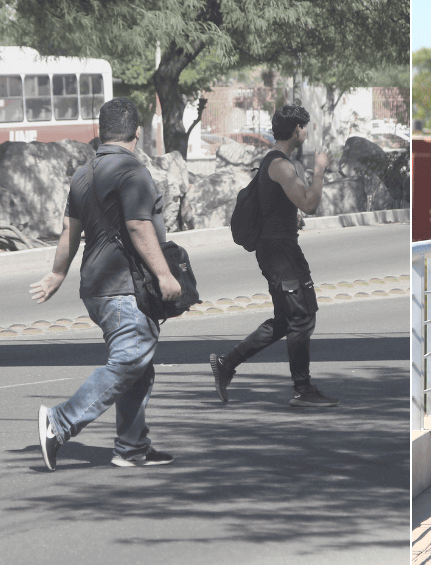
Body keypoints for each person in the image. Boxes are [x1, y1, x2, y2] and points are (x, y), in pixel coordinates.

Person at [29, 97, 181, 471]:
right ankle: (60, 423)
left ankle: (131, 447)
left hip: (95, 286)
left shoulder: (83, 174)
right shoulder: (133, 172)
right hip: (123, 285)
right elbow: (137, 225)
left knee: (138, 366)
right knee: (129, 358)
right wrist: (164, 274)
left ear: (101, 132)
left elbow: (70, 229)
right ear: (138, 133)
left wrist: (57, 273)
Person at [209, 104, 338, 407]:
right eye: (304, 127)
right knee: (302, 316)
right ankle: (303, 390)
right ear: (296, 130)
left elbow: (286, 206)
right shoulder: (281, 165)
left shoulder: (275, 162)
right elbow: (309, 204)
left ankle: (227, 364)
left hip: (276, 249)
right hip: (280, 252)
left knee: (285, 320)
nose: (306, 132)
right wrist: (320, 170)